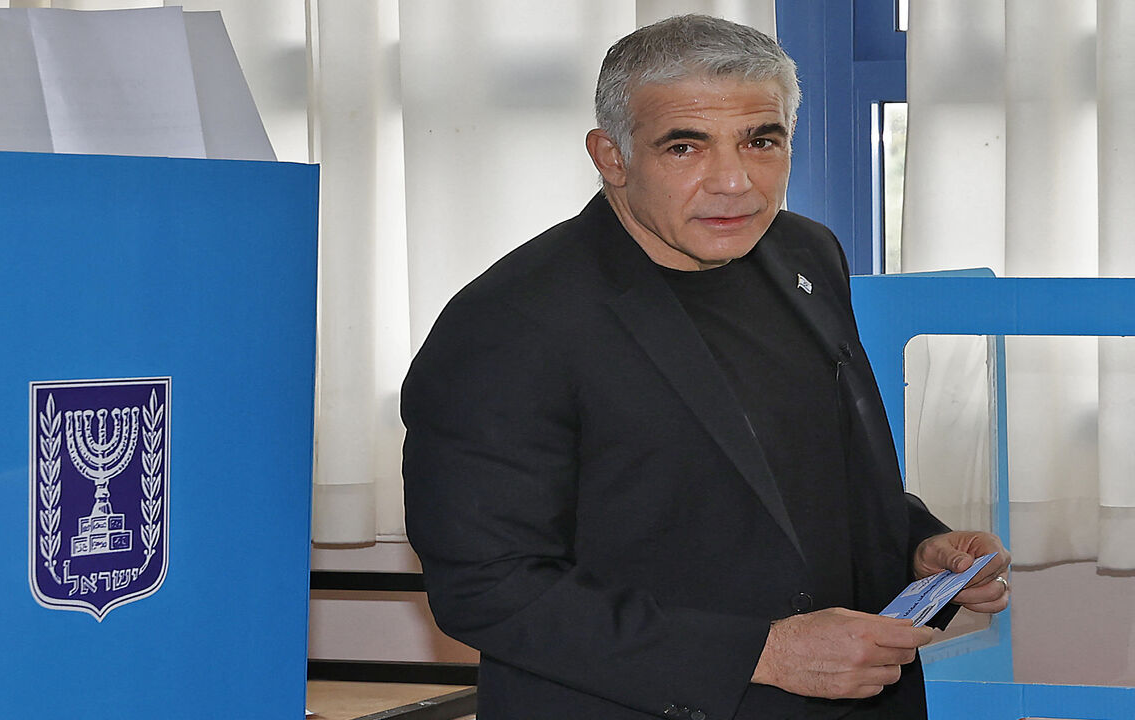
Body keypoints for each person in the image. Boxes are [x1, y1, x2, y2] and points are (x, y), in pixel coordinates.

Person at [401, 14, 1010, 720]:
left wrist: (917, 547)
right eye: (685, 147)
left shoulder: (806, 254)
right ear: (611, 156)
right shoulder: (509, 322)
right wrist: (765, 653)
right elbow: (487, 587)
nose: (733, 182)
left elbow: (802, 473)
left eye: (762, 141)